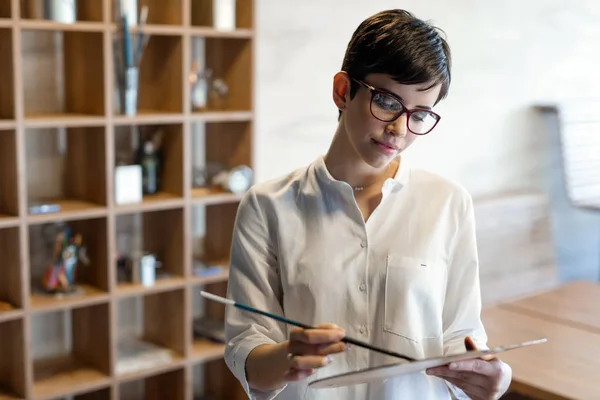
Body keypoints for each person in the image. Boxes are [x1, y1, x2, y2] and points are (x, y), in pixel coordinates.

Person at [224, 8, 512, 400]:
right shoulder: (267, 206)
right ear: (343, 91)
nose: (399, 129)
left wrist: (487, 380)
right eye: (389, 103)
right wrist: (288, 357)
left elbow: (462, 336)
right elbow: (246, 348)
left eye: (420, 114)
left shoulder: (448, 203)